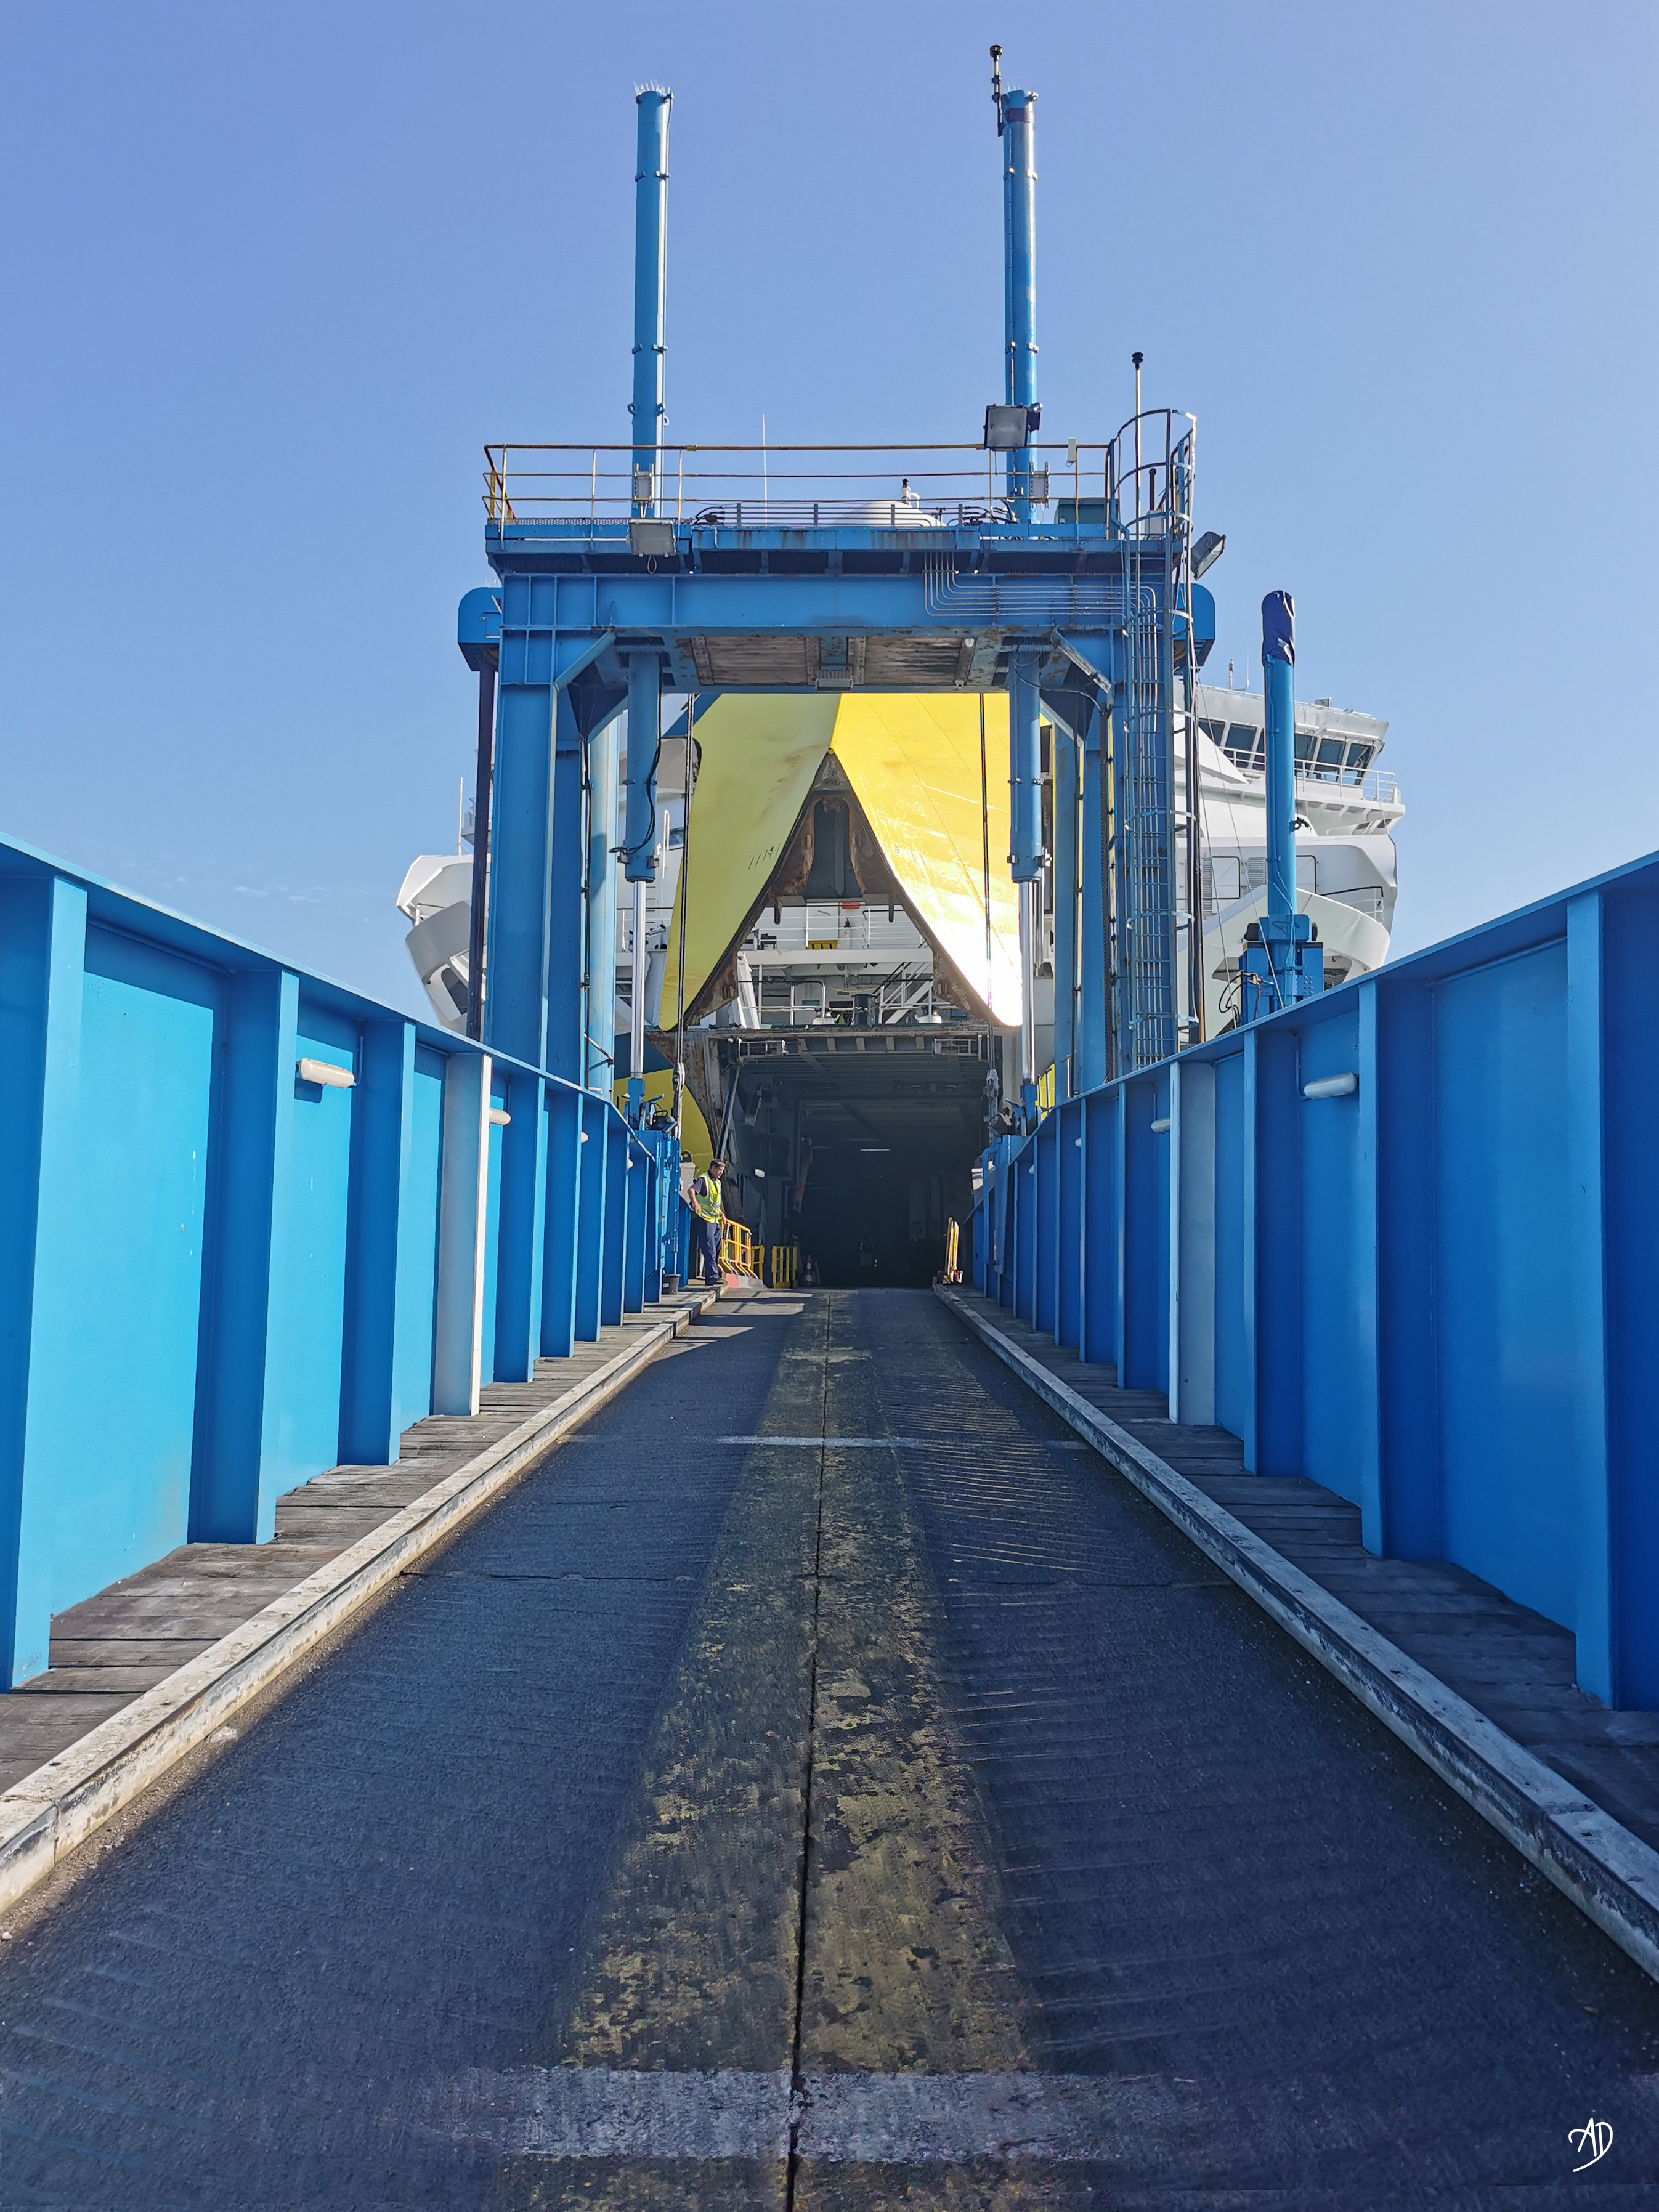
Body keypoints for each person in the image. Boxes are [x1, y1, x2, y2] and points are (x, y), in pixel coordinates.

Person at [689, 1155, 726, 1290]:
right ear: (713, 1168)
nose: (721, 1172)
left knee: (716, 1249)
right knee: (709, 1249)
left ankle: (713, 1275)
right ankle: (712, 1278)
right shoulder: (704, 1179)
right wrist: (696, 1204)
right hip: (705, 1220)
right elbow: (692, 1190)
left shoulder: (717, 1182)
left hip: (715, 1220)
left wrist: (722, 1214)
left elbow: (715, 1202)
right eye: (720, 1170)